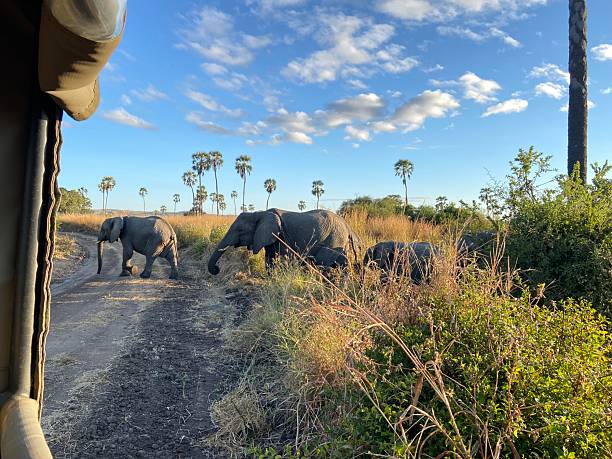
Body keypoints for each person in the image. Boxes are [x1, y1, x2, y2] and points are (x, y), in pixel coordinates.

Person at [0, 1, 124, 456]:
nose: (107, 239)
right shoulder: (121, 230)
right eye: (106, 233)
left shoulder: (124, 229)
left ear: (114, 229)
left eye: (108, 234)